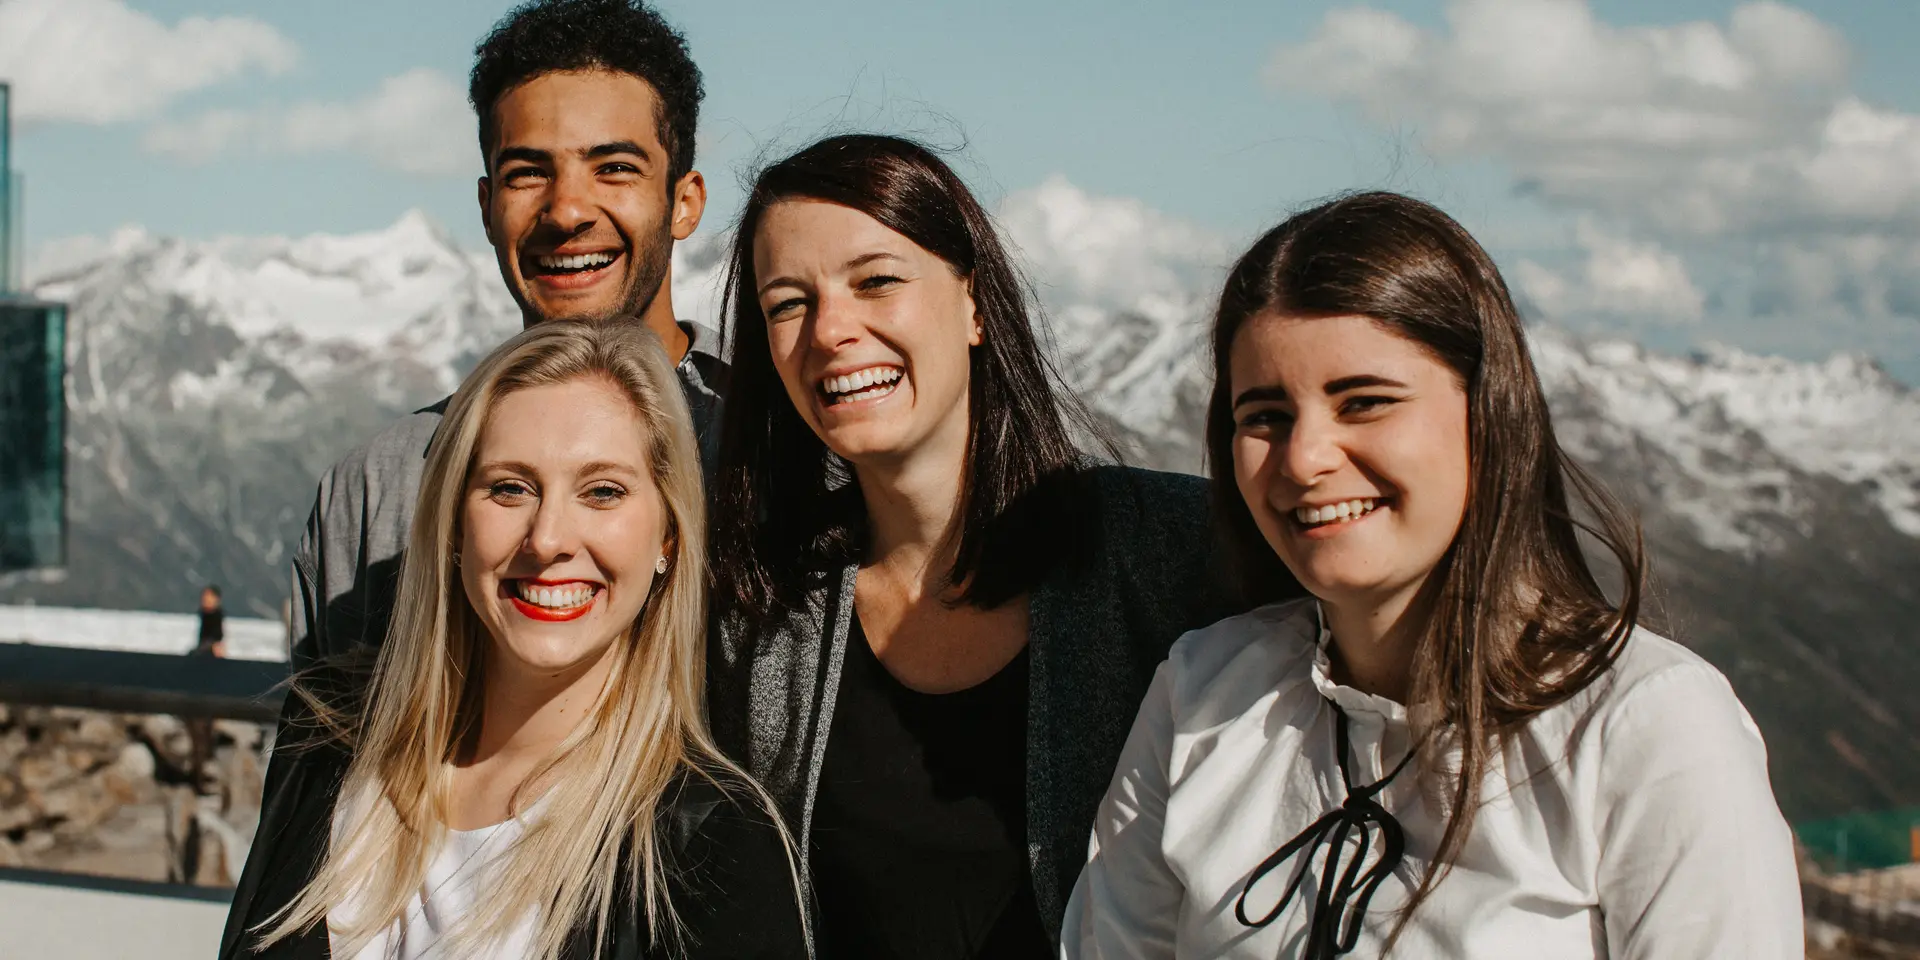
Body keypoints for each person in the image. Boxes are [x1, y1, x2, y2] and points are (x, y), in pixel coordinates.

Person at [1061, 192, 1803, 959]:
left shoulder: (1645, 726)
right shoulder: (1202, 693)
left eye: (1366, 403)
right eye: (1265, 416)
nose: (1306, 458)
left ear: (1489, 414)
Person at [705, 134, 1248, 958]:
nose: (830, 331)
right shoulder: (761, 612)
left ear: (974, 303)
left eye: (876, 281)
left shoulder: (1168, 549)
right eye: (788, 303)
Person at [220, 321, 809, 959]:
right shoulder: (330, 740)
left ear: (668, 536)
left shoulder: (710, 843)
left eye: (602, 491)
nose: (548, 537)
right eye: (510, 488)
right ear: (451, 524)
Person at [291, 0, 723, 668]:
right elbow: (323, 759)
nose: (567, 210)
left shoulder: (784, 443)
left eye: (613, 167)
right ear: (489, 209)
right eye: (529, 173)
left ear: (684, 201)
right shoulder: (382, 489)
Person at [193, 585, 227, 658]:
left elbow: (217, 638)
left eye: (208, 596)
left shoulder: (216, 617)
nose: (205, 599)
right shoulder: (204, 616)